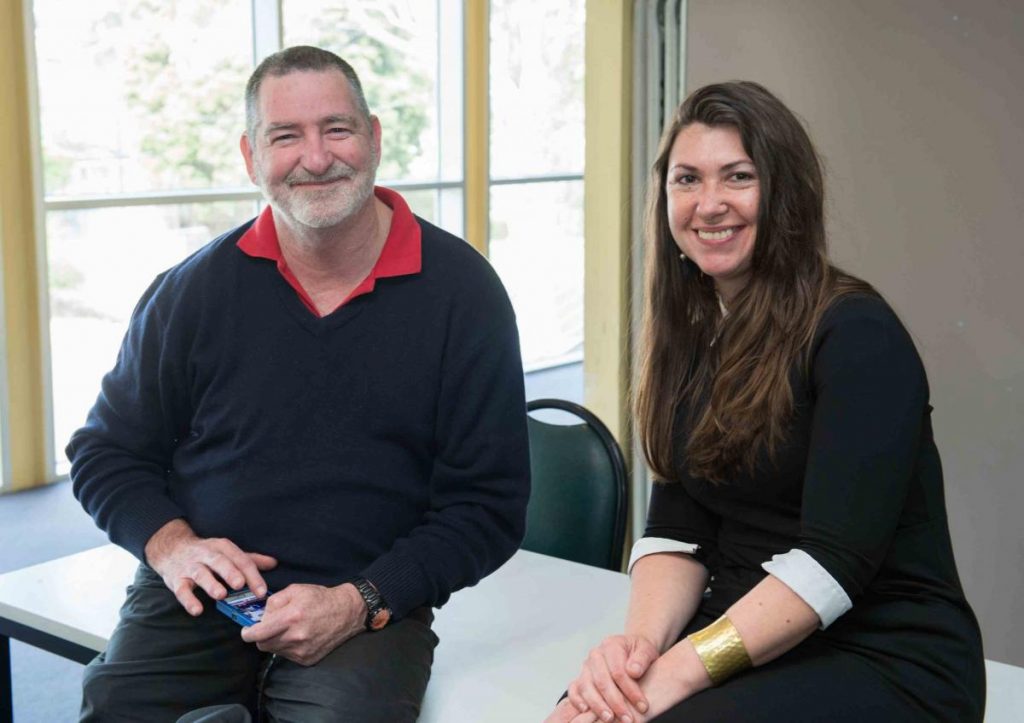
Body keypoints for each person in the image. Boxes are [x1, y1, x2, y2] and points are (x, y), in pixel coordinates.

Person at [68, 45, 530, 723]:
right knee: (118, 708)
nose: (316, 158)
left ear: (374, 138)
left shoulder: (464, 293)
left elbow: (488, 506)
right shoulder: (192, 291)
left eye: (337, 129)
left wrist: (360, 600)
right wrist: (173, 547)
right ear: (251, 156)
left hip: (367, 600)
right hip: (204, 591)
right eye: (285, 136)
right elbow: (106, 452)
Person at [546, 81, 985, 723]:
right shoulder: (693, 337)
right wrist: (638, 654)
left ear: (785, 193)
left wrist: (677, 673)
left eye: (738, 176)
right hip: (742, 631)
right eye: (687, 180)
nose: (709, 204)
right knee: (581, 716)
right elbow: (678, 532)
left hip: (883, 656)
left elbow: (831, 566)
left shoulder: (857, 334)